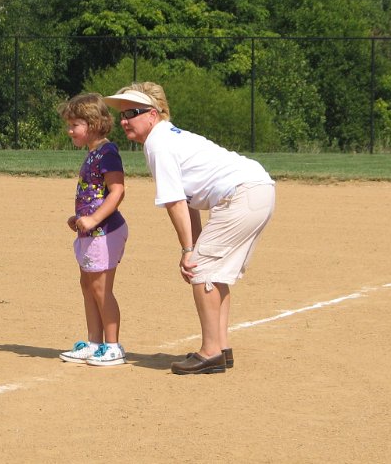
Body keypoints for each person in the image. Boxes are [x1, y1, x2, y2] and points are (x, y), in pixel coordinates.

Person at [104, 82, 275, 375]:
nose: (123, 120)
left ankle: (210, 352)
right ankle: (220, 348)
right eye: (122, 114)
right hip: (256, 189)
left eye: (132, 112)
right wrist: (193, 246)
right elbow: (188, 200)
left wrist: (188, 251)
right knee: (214, 271)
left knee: (203, 269)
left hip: (242, 193)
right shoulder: (167, 138)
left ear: (153, 115)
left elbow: (175, 202)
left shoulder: (159, 143)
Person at [57, 93, 129, 366]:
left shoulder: (108, 152)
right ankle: (94, 342)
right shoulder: (93, 153)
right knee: (87, 285)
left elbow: (117, 191)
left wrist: (93, 219)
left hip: (106, 232)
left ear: (94, 123)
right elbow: (93, 194)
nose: (70, 130)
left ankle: (113, 346)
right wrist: (79, 218)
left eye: (75, 124)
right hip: (91, 232)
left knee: (101, 289)